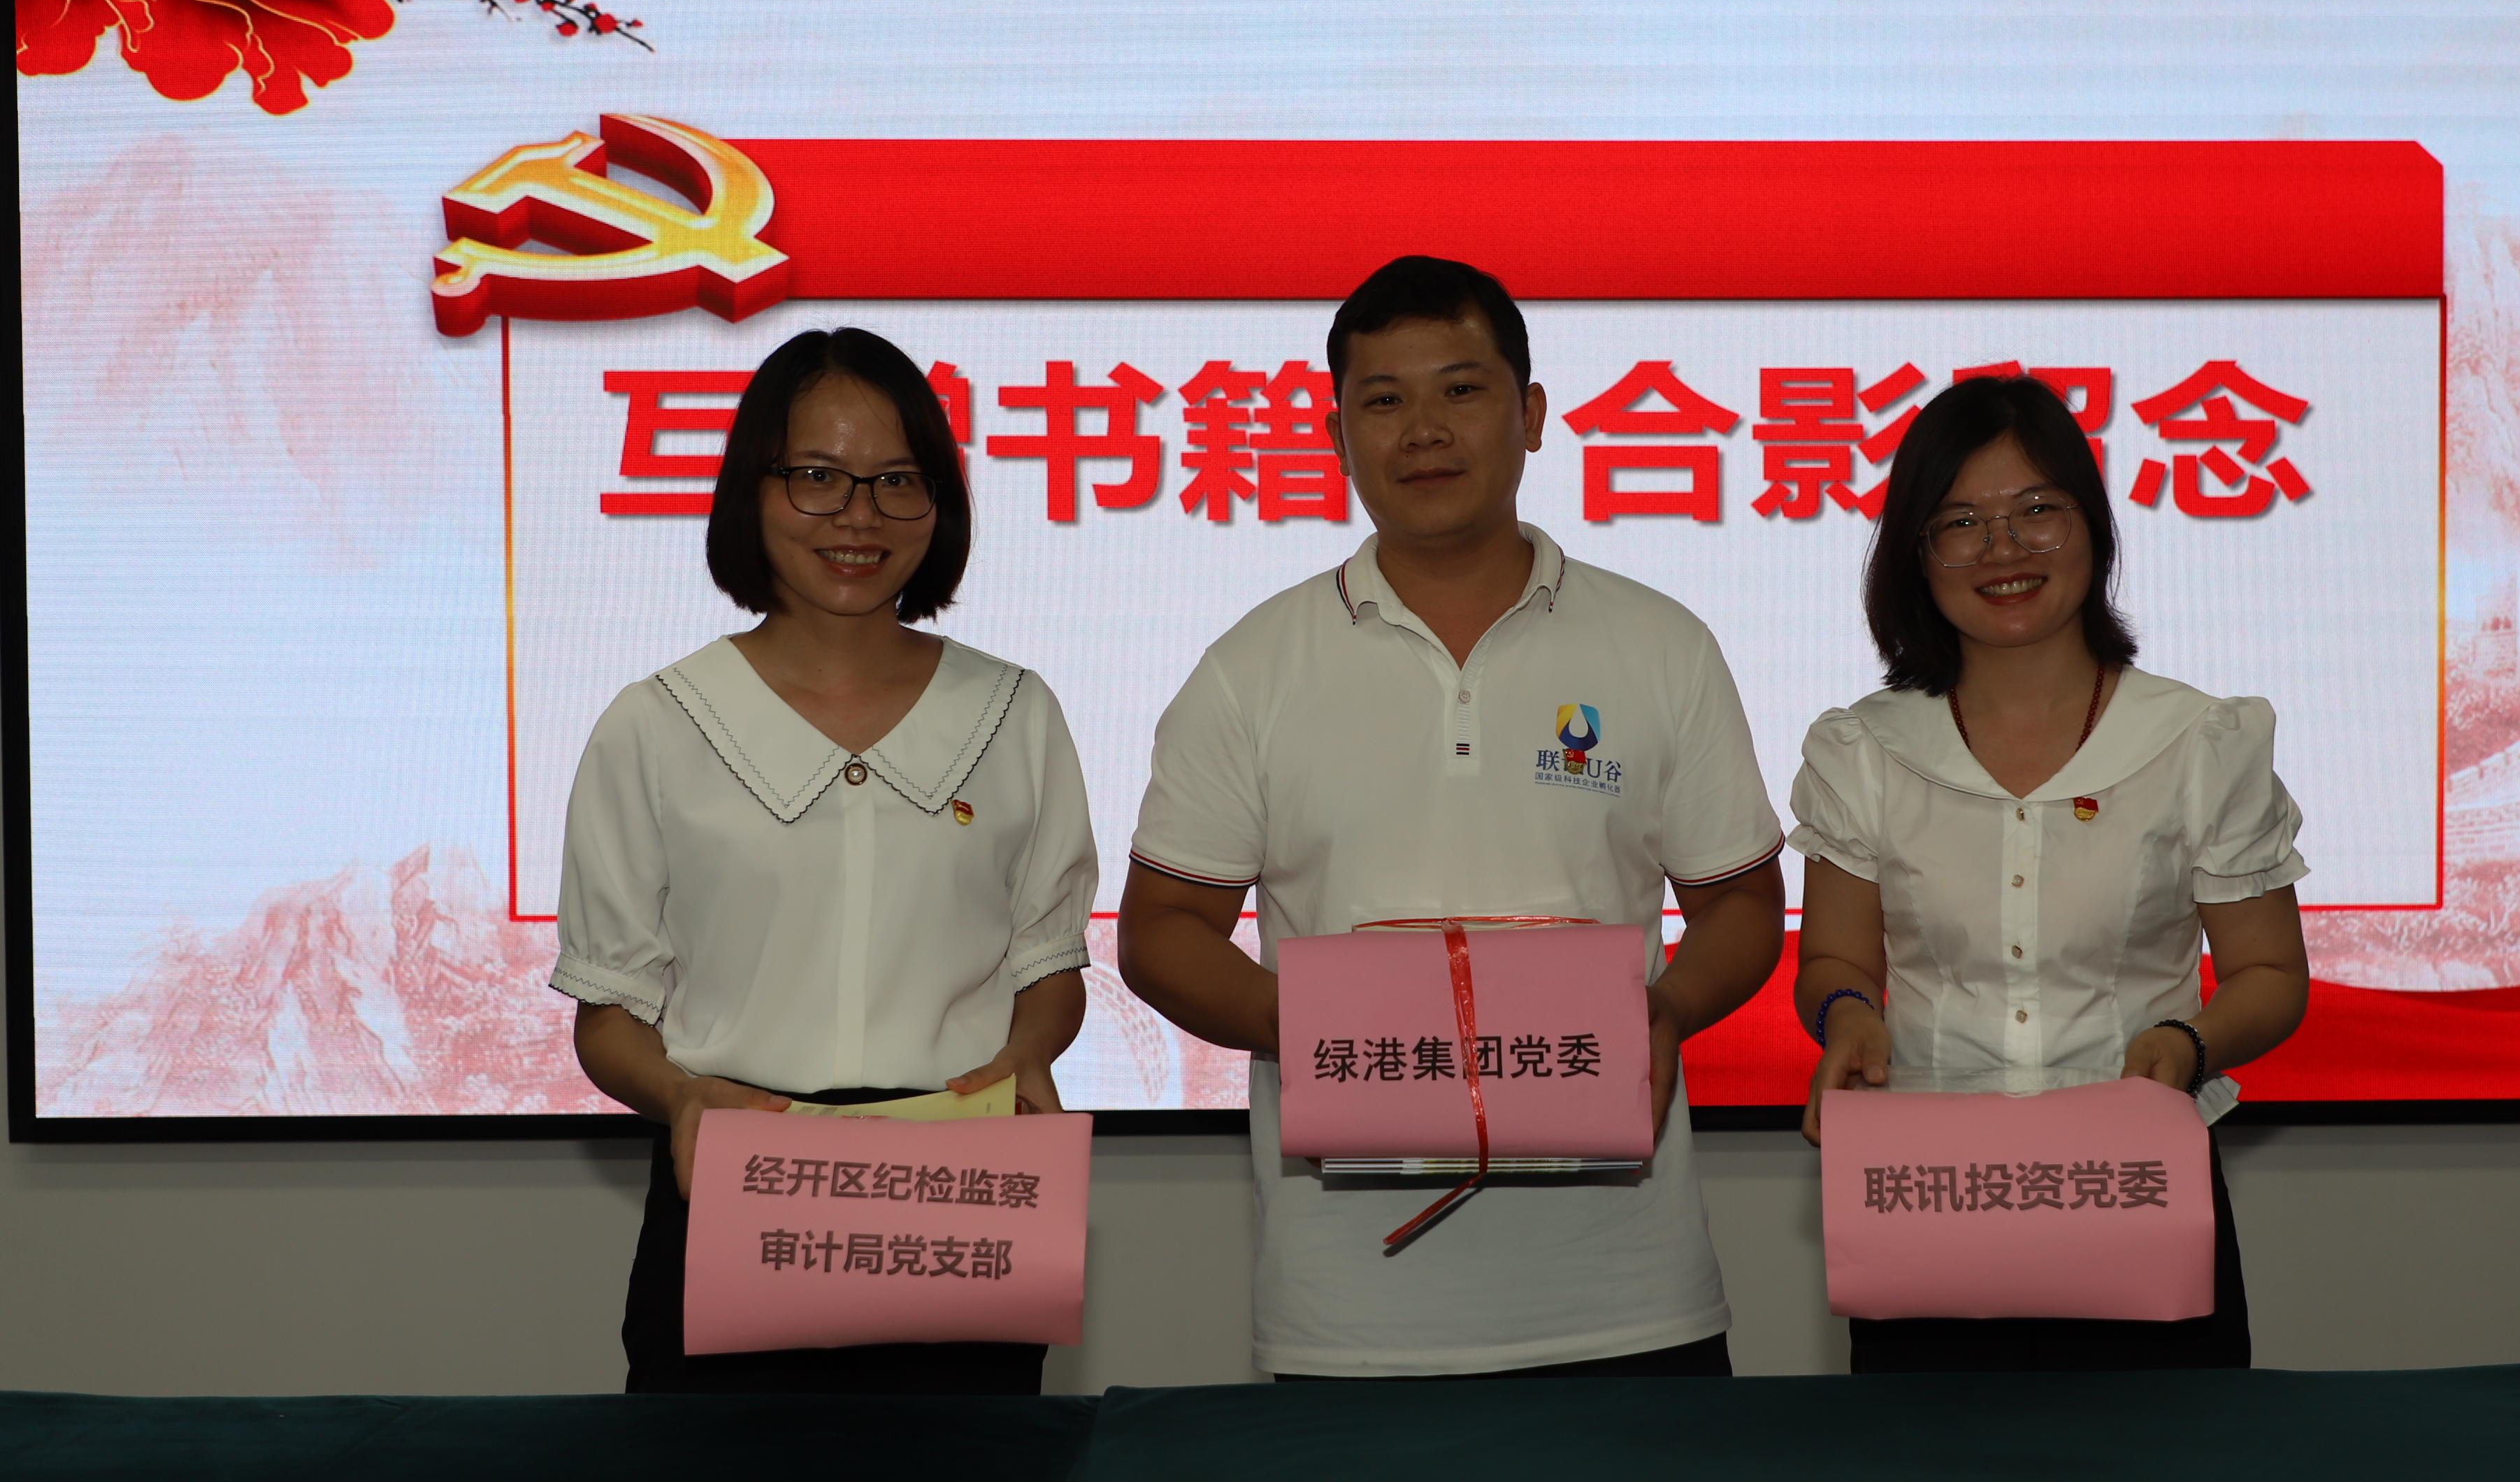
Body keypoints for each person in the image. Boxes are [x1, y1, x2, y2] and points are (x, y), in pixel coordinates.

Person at [1118, 255, 1788, 1380]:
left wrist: (1666, 1013)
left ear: (1532, 416)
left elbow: (1743, 904)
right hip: (1351, 1313)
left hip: (1630, 1293)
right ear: (1337, 434)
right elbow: (1160, 931)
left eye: (1462, 390)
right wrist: (1327, 1037)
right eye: (1383, 400)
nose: (1423, 430)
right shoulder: (1253, 668)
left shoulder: (1661, 644)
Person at [550, 327, 1098, 1395]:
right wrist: (681, 1095)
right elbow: (609, 1013)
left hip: (958, 1190)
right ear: (752, 492)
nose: (859, 516)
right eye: (817, 476)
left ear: (940, 501)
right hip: (740, 1186)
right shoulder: (657, 724)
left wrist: (1030, 1052)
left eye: (898, 480)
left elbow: (1048, 968)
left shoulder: (1014, 712)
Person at [1790, 373, 2310, 1374]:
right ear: (1916, 553)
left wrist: (2188, 1042)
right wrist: (1848, 1015)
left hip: (2138, 1187)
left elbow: (2270, 974)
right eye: (1962, 523)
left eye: (2038, 511)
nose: (2004, 549)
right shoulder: (1865, 750)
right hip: (1930, 1195)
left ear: (2093, 528)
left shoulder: (2197, 740)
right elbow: (1836, 960)